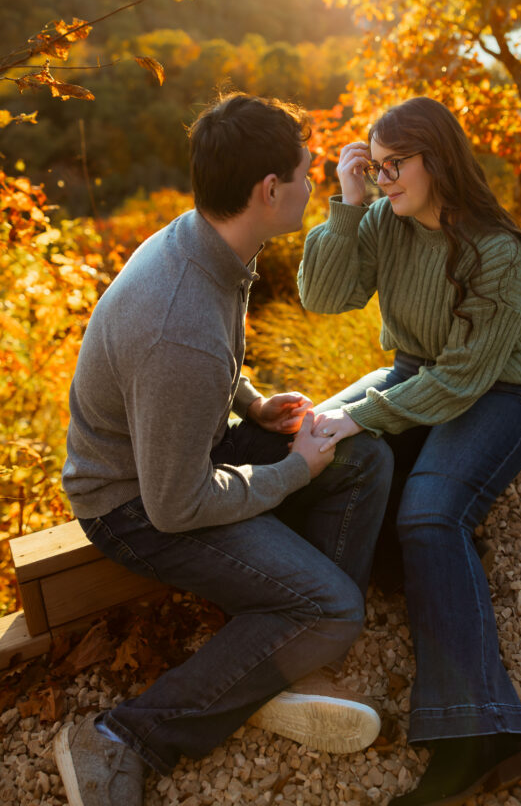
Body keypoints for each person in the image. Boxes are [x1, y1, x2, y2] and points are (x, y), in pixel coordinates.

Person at [54, 93, 394, 806]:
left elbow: (206, 369)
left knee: (361, 457)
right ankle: (122, 738)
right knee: (332, 609)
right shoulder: (177, 321)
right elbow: (174, 505)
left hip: (186, 451)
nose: (313, 185)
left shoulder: (205, 240)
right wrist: (295, 470)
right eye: (305, 173)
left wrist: (251, 402)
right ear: (269, 191)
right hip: (134, 504)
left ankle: (280, 653)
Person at [297, 96, 521, 806]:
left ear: (435, 158)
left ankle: (480, 735)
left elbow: (464, 379)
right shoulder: (382, 220)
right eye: (372, 168)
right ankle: (368, 584)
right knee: (313, 436)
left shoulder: (495, 251)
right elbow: (321, 296)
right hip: (413, 373)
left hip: (495, 394)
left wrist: (367, 415)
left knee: (430, 516)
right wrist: (344, 206)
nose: (381, 181)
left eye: (392, 166)